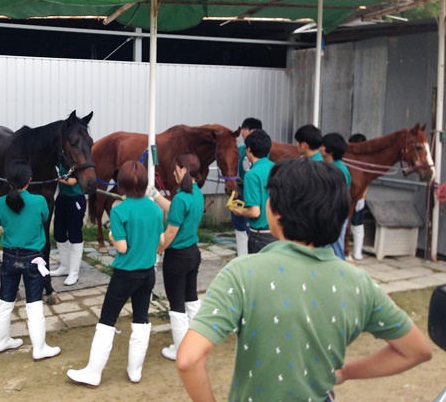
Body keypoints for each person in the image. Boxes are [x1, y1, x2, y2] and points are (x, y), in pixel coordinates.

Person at [176, 158, 433, 402]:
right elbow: (417, 350)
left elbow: (188, 359)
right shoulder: (359, 283)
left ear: (276, 213)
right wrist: (345, 372)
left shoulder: (242, 273)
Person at [67, 161, 164, 387]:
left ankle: (93, 373)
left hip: (125, 275)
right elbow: (161, 244)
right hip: (148, 274)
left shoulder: (120, 210)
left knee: (107, 321)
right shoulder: (154, 208)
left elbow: (121, 247)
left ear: (122, 183)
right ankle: (135, 370)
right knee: (141, 320)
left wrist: (111, 237)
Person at [0, 160, 61, 361]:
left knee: (4, 302)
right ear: (29, 181)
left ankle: (1, 341)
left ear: (7, 180)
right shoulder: (39, 201)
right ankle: (39, 348)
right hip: (33, 259)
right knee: (34, 305)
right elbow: (45, 217)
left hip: (9, 257)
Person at [148, 152, 204, 362]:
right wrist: (155, 195)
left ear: (183, 170)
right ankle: (196, 343)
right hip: (193, 254)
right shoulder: (196, 193)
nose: (173, 172)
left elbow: (171, 232)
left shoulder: (181, 197)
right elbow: (174, 210)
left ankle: (181, 350)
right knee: (191, 299)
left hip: (177, 258)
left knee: (177, 305)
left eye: (175, 169)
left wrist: (157, 251)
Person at [231, 129, 276, 253]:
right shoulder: (277, 168)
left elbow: (255, 212)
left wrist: (240, 212)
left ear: (249, 150)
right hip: (278, 233)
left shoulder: (252, 175)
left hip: (260, 236)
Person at [50, 162, 87, 286]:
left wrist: (56, 178)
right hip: (62, 198)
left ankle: (74, 272)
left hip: (75, 199)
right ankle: (65, 266)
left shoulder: (77, 161)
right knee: (59, 234)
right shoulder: (61, 161)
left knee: (74, 235)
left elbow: (72, 181)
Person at [230, 117, 262, 257]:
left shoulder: (264, 152)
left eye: (244, 130)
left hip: (256, 192)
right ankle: (242, 256)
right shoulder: (239, 151)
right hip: (241, 190)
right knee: (240, 226)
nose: (242, 133)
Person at [321, 132, 352, 260]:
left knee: (337, 250)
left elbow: (337, 196)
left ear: (330, 151)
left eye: (323, 145)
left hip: (335, 215)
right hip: (331, 214)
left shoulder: (338, 170)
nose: (320, 147)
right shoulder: (332, 167)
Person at [348, 133, 368, 260]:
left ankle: (357, 252)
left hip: (359, 197)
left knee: (357, 224)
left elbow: (366, 182)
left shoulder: (365, 161)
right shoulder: (347, 158)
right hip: (346, 196)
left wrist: (363, 197)